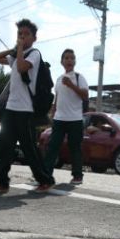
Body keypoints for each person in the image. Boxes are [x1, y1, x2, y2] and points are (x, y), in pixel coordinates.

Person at [0, 18, 56, 195]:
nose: (22, 37)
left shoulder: (34, 54)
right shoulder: (16, 54)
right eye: (20, 34)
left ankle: (45, 180)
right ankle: (2, 183)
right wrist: (14, 48)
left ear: (34, 38)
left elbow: (22, 67)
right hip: (10, 108)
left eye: (26, 34)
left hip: (26, 111)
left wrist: (19, 50)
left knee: (29, 148)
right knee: (4, 146)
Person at [43, 49, 89, 185]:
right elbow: (57, 98)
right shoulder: (58, 79)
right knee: (52, 146)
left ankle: (77, 176)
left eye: (72, 58)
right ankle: (45, 175)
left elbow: (85, 95)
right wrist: (53, 112)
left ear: (74, 61)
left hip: (75, 119)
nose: (69, 60)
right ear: (62, 61)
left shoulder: (79, 77)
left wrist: (71, 85)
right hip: (59, 119)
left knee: (75, 148)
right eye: (67, 58)